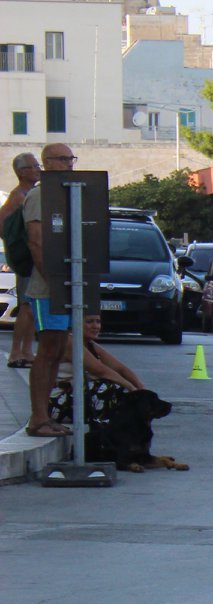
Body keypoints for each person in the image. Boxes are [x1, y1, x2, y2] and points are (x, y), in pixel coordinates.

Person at [21, 142, 77, 439]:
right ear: (47, 163)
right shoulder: (40, 195)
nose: (69, 163)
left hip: (65, 286)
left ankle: (46, 416)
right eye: (62, 159)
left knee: (57, 352)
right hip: (47, 288)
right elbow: (36, 241)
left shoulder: (65, 194)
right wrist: (54, 280)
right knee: (47, 351)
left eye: (71, 158)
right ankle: (37, 418)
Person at [3, 151, 40, 369]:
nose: (38, 169)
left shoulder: (29, 193)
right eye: (34, 166)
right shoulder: (19, 196)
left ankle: (26, 350)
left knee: (30, 306)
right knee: (26, 306)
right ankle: (18, 351)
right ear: (21, 171)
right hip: (27, 258)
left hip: (28, 257)